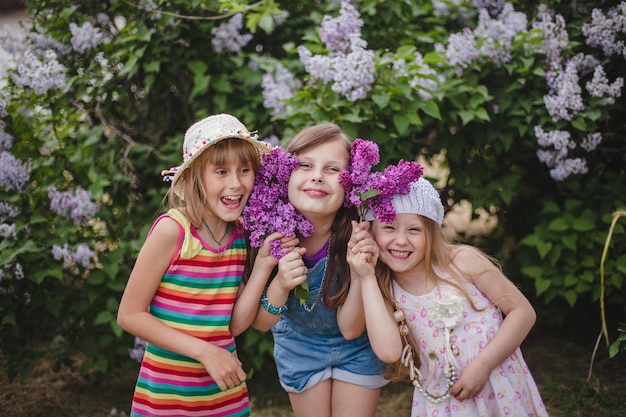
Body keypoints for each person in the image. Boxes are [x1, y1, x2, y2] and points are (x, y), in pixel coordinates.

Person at [117, 113, 292, 417]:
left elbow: (234, 325)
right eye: (221, 171)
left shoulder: (240, 235)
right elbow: (130, 315)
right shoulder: (173, 231)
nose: (235, 183)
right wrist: (206, 352)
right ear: (196, 176)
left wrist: (263, 265)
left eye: (245, 170)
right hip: (166, 401)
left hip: (225, 400)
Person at [345, 177, 549, 417]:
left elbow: (522, 312)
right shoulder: (383, 288)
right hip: (444, 401)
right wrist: (364, 277)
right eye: (389, 227)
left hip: (497, 386)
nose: (401, 240)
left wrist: (483, 366)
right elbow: (386, 351)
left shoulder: (462, 262)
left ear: (431, 232)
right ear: (370, 233)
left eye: (414, 229)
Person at [250, 123, 387, 417]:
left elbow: (351, 329)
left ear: (351, 183)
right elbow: (261, 323)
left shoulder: (357, 235)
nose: (317, 176)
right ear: (286, 173)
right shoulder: (271, 233)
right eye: (305, 165)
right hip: (299, 347)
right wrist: (281, 285)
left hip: (357, 347)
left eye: (333, 169)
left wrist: (360, 269)